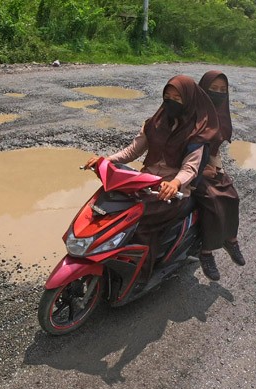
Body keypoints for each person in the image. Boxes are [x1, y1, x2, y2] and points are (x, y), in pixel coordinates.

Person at [83, 75, 219, 280]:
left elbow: (190, 167)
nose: (171, 101)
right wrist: (106, 160)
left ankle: (141, 272)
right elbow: (132, 151)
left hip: (174, 192)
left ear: (189, 100)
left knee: (139, 221)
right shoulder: (154, 123)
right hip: (145, 182)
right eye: (167, 96)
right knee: (110, 206)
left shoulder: (196, 133)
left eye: (177, 98)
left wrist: (175, 183)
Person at [195, 70, 245, 281]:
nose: (217, 94)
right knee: (212, 200)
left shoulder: (220, 116)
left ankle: (230, 240)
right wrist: (201, 168)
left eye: (222, 90)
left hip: (209, 165)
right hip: (190, 166)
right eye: (212, 89)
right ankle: (206, 252)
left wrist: (217, 168)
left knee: (232, 196)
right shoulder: (192, 112)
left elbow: (215, 150)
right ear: (202, 90)